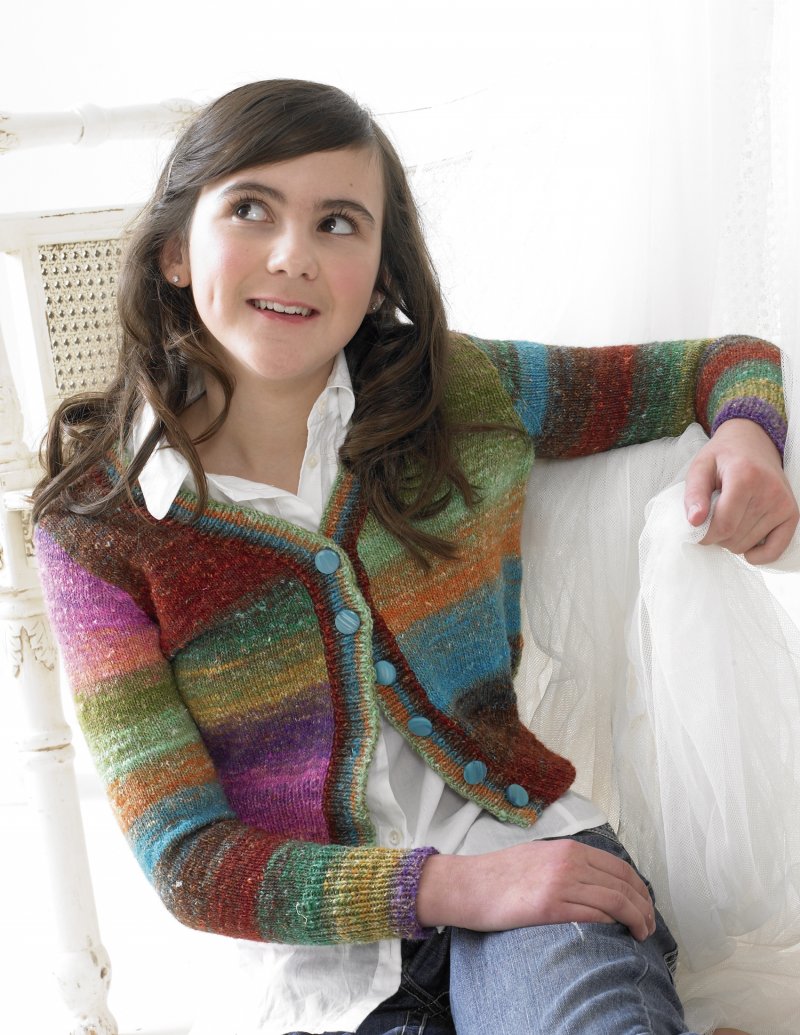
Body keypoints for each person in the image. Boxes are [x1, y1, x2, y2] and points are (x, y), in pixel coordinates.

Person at [32, 79, 798, 1035]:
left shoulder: (458, 393)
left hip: (532, 866)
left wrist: (749, 438)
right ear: (175, 251)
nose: (293, 254)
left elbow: (718, 362)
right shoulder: (100, 526)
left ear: (381, 270)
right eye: (251, 208)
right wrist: (453, 888)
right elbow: (190, 859)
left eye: (337, 222)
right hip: (326, 970)